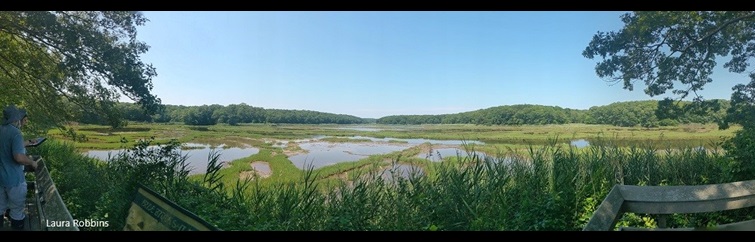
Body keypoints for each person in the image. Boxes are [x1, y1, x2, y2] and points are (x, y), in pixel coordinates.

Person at [0, 105, 38, 230]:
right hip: (14, 180)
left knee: (0, 208)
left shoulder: (2, 129)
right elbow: (19, 157)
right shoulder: (16, 133)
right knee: (17, 210)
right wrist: (32, 162)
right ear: (16, 119)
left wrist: (26, 142)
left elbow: (7, 146)